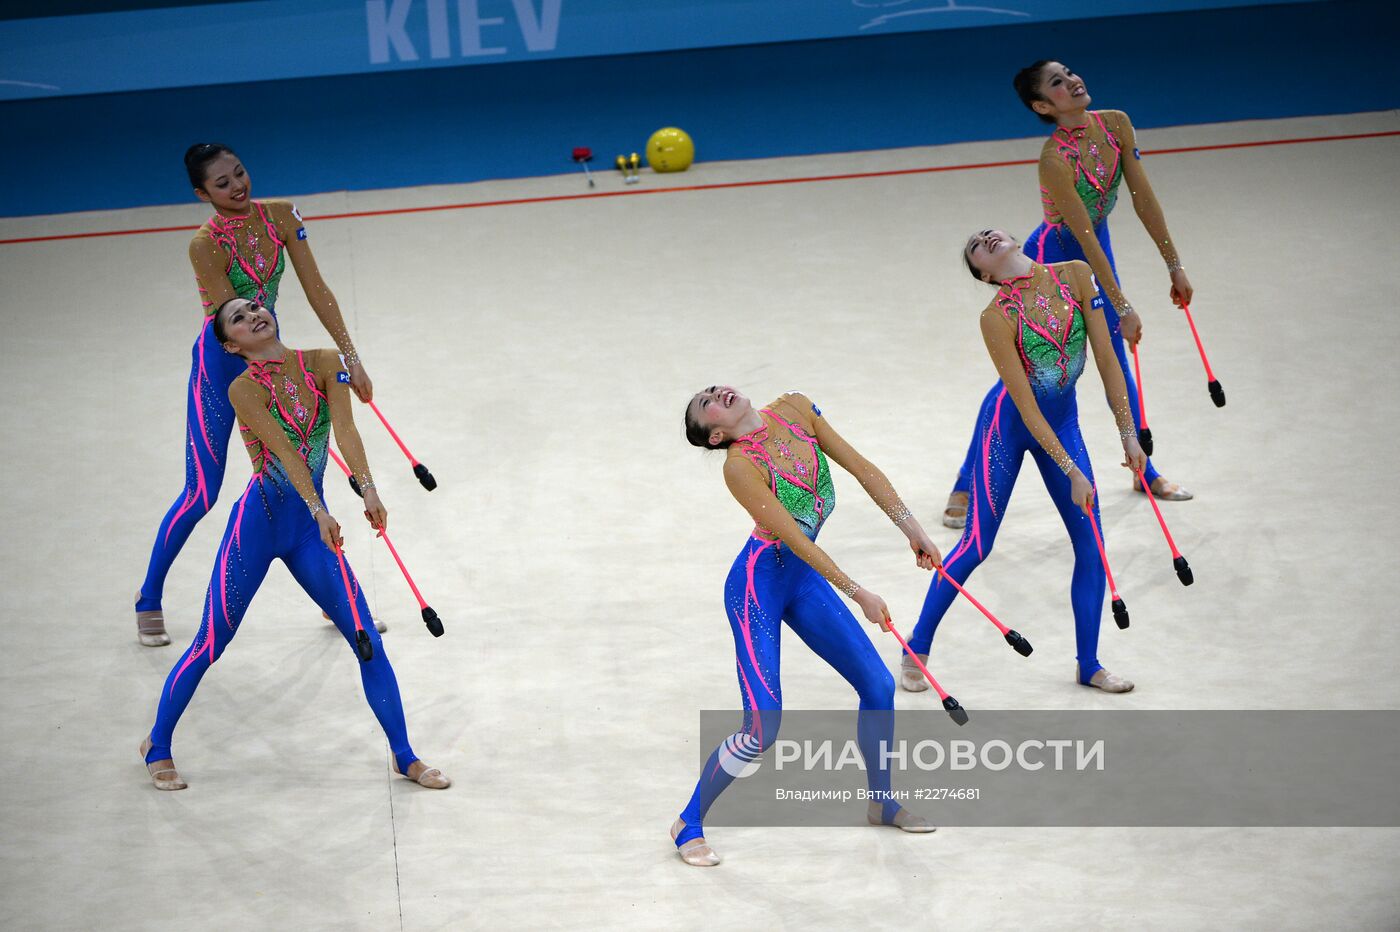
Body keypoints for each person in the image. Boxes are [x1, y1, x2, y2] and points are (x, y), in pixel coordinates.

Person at [140, 297, 445, 791]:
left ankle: (404, 755)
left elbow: (344, 428)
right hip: (257, 527)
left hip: (308, 532)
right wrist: (319, 509)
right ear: (229, 343)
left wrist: (368, 489)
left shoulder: (324, 363)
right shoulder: (242, 388)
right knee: (211, 641)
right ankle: (157, 742)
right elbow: (281, 449)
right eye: (239, 317)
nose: (254, 313)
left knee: (366, 637)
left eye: (256, 305)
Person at [672, 387, 943, 866]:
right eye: (706, 401)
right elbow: (794, 538)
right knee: (762, 726)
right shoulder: (739, 467)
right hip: (759, 587)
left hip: (802, 581)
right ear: (715, 435)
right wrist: (859, 593)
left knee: (879, 686)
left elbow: (862, 469)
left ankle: (881, 802)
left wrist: (913, 529)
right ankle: (688, 822)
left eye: (714, 387)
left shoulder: (796, 407)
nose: (718, 392)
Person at [135, 143, 376, 646]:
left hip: (270, 354)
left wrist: (348, 357)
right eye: (222, 184)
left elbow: (316, 287)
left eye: (240, 173)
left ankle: (336, 596)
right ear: (202, 194)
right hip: (225, 365)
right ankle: (149, 597)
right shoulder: (205, 245)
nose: (238, 186)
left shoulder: (283, 216)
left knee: (306, 465)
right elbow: (235, 326)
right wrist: (282, 381)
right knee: (202, 492)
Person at [943, 60, 1192, 530]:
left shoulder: (1116, 124)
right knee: (1020, 382)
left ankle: (1144, 468)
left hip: (1097, 249)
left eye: (1070, 72)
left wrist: (1173, 265)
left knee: (1113, 362)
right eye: (1057, 82)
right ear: (1042, 105)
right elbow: (1080, 235)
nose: (1072, 81)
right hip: (1055, 256)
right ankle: (965, 477)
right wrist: (1120, 303)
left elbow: (1142, 197)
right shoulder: (1054, 159)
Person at [909, 230, 1144, 695]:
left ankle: (1089, 664)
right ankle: (916, 645)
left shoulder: (1076, 276)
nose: (986, 238)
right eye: (977, 245)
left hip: (1064, 422)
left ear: (1015, 239)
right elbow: (1026, 403)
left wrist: (1127, 433)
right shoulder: (995, 317)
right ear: (984, 273)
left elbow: (1106, 359)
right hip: (1009, 427)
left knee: (1091, 543)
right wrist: (1072, 470)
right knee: (977, 544)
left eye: (991, 233)